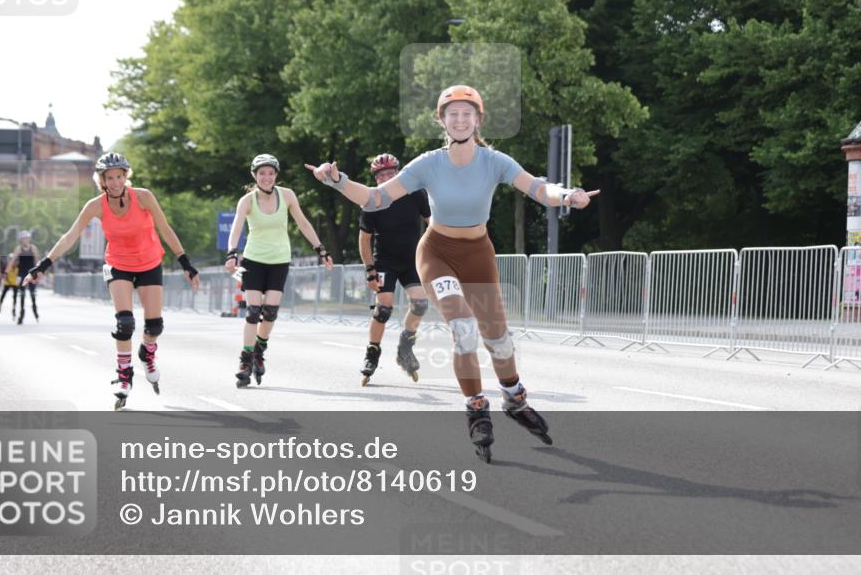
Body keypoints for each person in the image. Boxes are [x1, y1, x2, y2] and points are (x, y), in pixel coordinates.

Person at [307, 85, 599, 462]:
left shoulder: (495, 161)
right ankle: (476, 408)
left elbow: (537, 188)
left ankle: (514, 398)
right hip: (437, 252)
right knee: (462, 329)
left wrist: (567, 196)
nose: (460, 120)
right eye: (452, 114)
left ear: (478, 120)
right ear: (441, 120)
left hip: (478, 253)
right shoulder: (428, 163)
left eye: (467, 114)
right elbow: (375, 198)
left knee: (499, 340)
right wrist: (338, 181)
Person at [23, 152, 200, 409]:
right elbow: (70, 236)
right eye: (110, 178)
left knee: (154, 326)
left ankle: (147, 354)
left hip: (150, 262)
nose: (116, 182)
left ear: (126, 176)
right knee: (125, 322)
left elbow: (165, 228)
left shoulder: (143, 197)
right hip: (118, 264)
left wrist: (185, 263)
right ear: (102, 180)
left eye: (120, 176)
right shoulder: (95, 205)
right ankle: (123, 375)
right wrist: (43, 265)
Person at [224, 153, 333, 388]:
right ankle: (245, 360)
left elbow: (303, 223)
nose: (266, 177)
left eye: (271, 173)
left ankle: (259, 350)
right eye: (262, 173)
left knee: (270, 312)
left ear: (276, 175)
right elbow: (236, 228)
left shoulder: (287, 196)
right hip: (253, 260)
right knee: (253, 311)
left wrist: (321, 249)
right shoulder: (248, 200)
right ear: (255, 176)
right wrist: (232, 252)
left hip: (280, 260)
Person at [358, 153, 431, 385]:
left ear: (398, 173)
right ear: (376, 179)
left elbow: (434, 223)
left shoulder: (415, 193)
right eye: (382, 175)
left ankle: (405, 347)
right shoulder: (372, 201)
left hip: (411, 260)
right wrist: (370, 269)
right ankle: (372, 354)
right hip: (385, 261)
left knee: (420, 304)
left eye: (391, 173)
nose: (387, 178)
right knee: (384, 309)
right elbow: (364, 239)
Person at [8, 230, 40, 324]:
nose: (25, 240)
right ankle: (21, 315)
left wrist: (38, 273)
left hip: (31, 273)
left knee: (32, 294)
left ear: (29, 239)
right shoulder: (18, 249)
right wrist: (8, 270)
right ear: (21, 240)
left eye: (27, 238)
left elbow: (37, 261)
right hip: (21, 274)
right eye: (23, 239)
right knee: (22, 295)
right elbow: (13, 260)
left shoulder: (33, 248)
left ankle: (35, 309)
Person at [0, 254, 19, 319]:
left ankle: (13, 309)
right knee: (2, 296)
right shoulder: (7, 267)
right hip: (8, 283)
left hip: (15, 284)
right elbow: (3, 275)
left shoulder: (18, 267)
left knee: (14, 297)